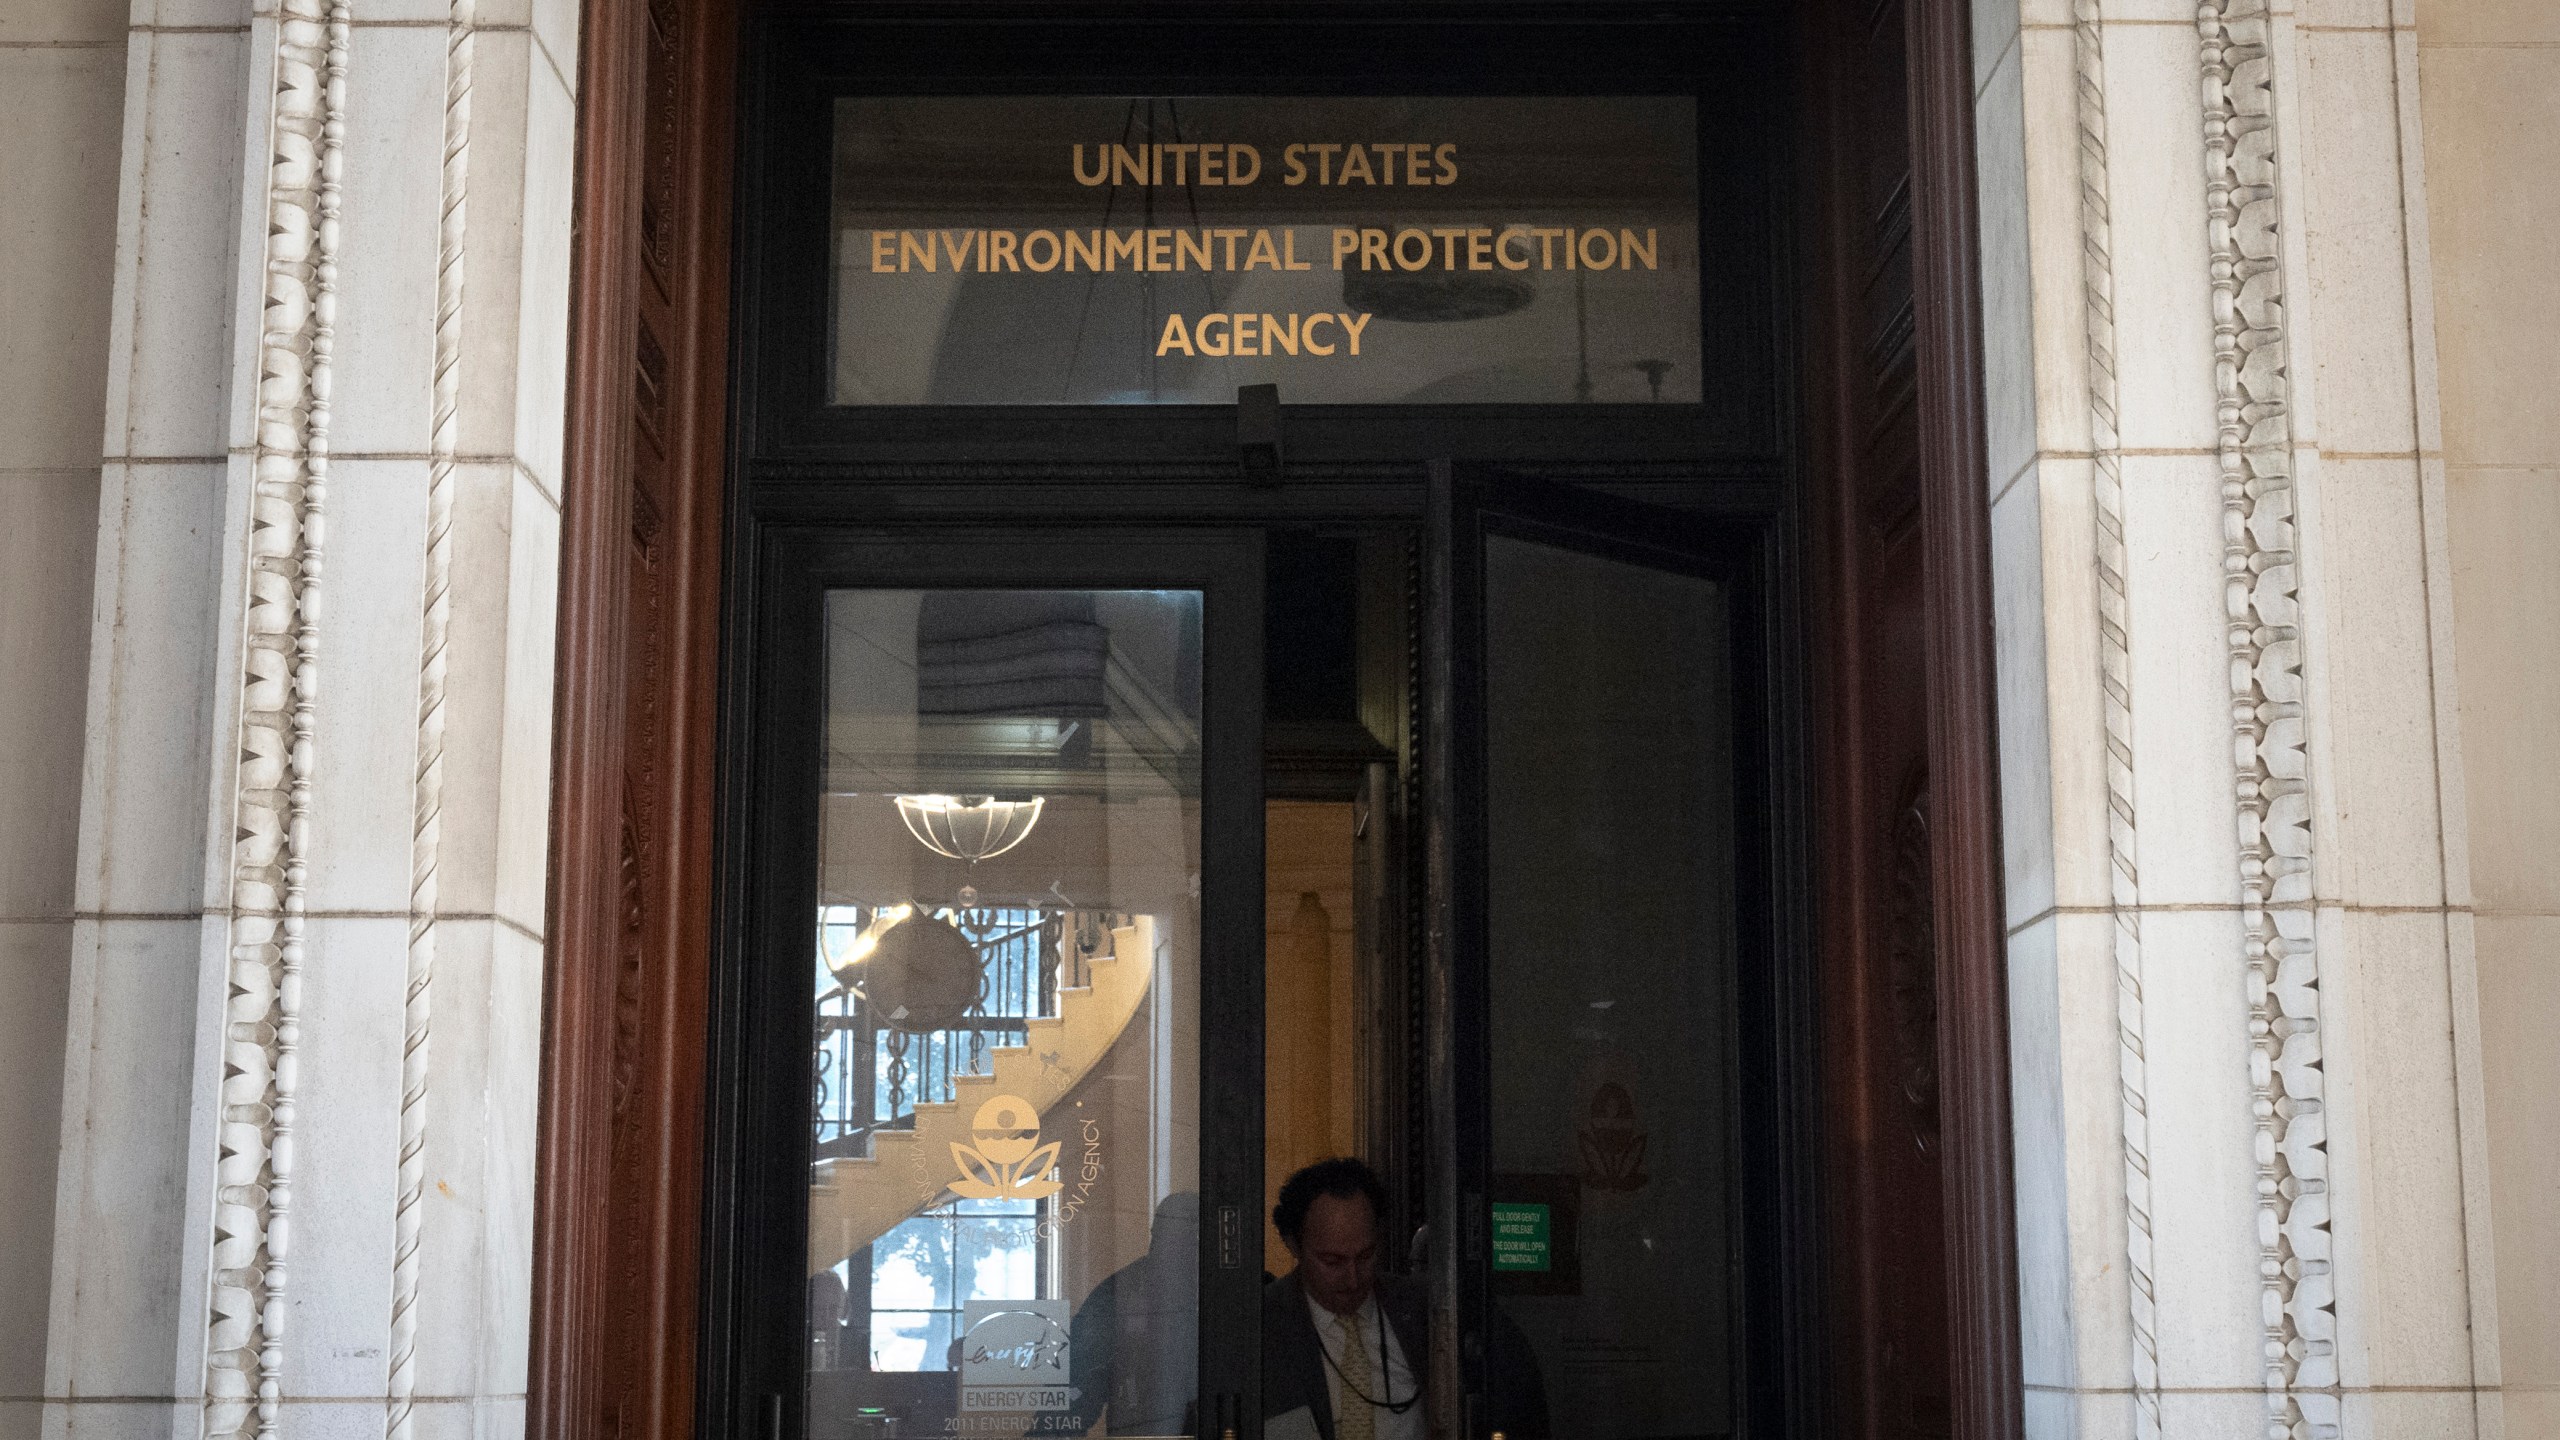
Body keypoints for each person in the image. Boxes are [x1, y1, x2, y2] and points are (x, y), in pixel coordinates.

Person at [1261, 1158, 1548, 1440]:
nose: (1353, 1278)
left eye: (1365, 1256)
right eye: (1332, 1262)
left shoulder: (1426, 1308)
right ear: (1293, 1244)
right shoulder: (1264, 1325)